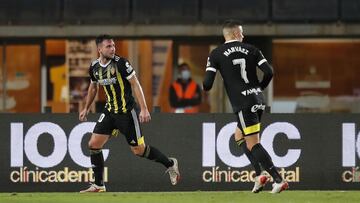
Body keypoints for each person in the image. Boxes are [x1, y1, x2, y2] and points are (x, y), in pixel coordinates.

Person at [79, 34, 180, 193]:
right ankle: (99, 185)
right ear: (99, 49)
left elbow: (135, 84)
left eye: (113, 45)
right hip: (110, 111)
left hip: (127, 112)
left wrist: (144, 108)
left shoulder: (121, 63)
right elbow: (93, 87)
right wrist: (86, 107)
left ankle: (170, 164)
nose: (112, 49)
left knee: (138, 150)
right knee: (93, 144)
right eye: (108, 46)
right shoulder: (94, 67)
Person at [202, 20, 288, 193]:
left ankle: (278, 179)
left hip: (243, 103)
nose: (243, 35)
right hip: (258, 100)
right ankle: (259, 175)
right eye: (241, 33)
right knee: (239, 136)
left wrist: (208, 81)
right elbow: (269, 72)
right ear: (234, 34)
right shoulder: (253, 49)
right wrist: (259, 88)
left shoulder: (216, 54)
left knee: (253, 143)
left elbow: (207, 84)